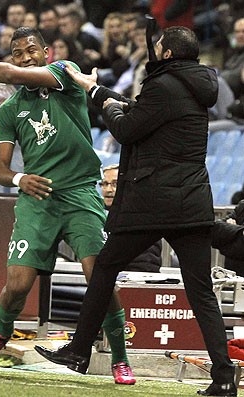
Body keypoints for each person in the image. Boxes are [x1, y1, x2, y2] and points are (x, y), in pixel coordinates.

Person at [33, 26, 237, 396]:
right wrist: (93, 88)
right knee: (201, 292)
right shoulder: (194, 86)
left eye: (158, 46)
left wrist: (105, 104)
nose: (153, 49)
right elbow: (140, 111)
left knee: (106, 265)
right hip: (191, 202)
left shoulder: (163, 85)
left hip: (154, 201)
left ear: (168, 54)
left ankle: (78, 352)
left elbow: (126, 129)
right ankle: (224, 376)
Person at [0, 27, 135, 385]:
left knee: (100, 277)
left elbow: (12, 75)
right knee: (18, 284)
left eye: (31, 50)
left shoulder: (65, 72)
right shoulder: (10, 109)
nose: (25, 57)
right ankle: (1, 332)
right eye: (18, 53)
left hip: (80, 193)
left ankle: (120, 359)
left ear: (46, 53)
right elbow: (0, 169)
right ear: (11, 56)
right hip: (37, 200)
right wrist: (19, 179)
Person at [101, 164, 162, 272]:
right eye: (104, 184)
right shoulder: (98, 217)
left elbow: (144, 267)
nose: (108, 189)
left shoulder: (142, 221)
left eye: (115, 184)